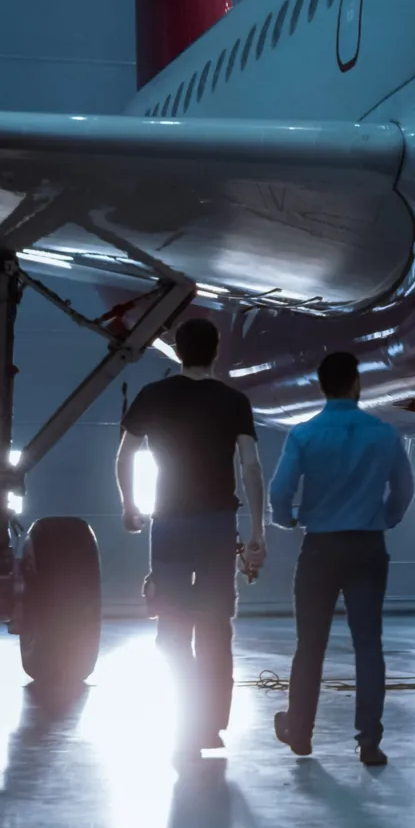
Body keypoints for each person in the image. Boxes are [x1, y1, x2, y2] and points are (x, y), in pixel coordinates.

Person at [118, 317, 266, 756]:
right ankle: (210, 726)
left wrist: (130, 504)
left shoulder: (153, 396)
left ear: (177, 351)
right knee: (216, 627)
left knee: (172, 628)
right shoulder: (233, 401)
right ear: (216, 351)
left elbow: (125, 455)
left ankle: (185, 720)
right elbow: (251, 466)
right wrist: (258, 529)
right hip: (219, 525)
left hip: (170, 526)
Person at [268, 350, 415, 766]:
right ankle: (369, 742)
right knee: (368, 644)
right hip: (367, 547)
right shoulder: (385, 434)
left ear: (321, 387)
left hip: (320, 549)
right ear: (356, 384)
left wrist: (287, 520)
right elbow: (404, 488)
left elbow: (280, 491)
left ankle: (300, 732)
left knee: (309, 645)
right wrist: (385, 517)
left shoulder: (304, 434)